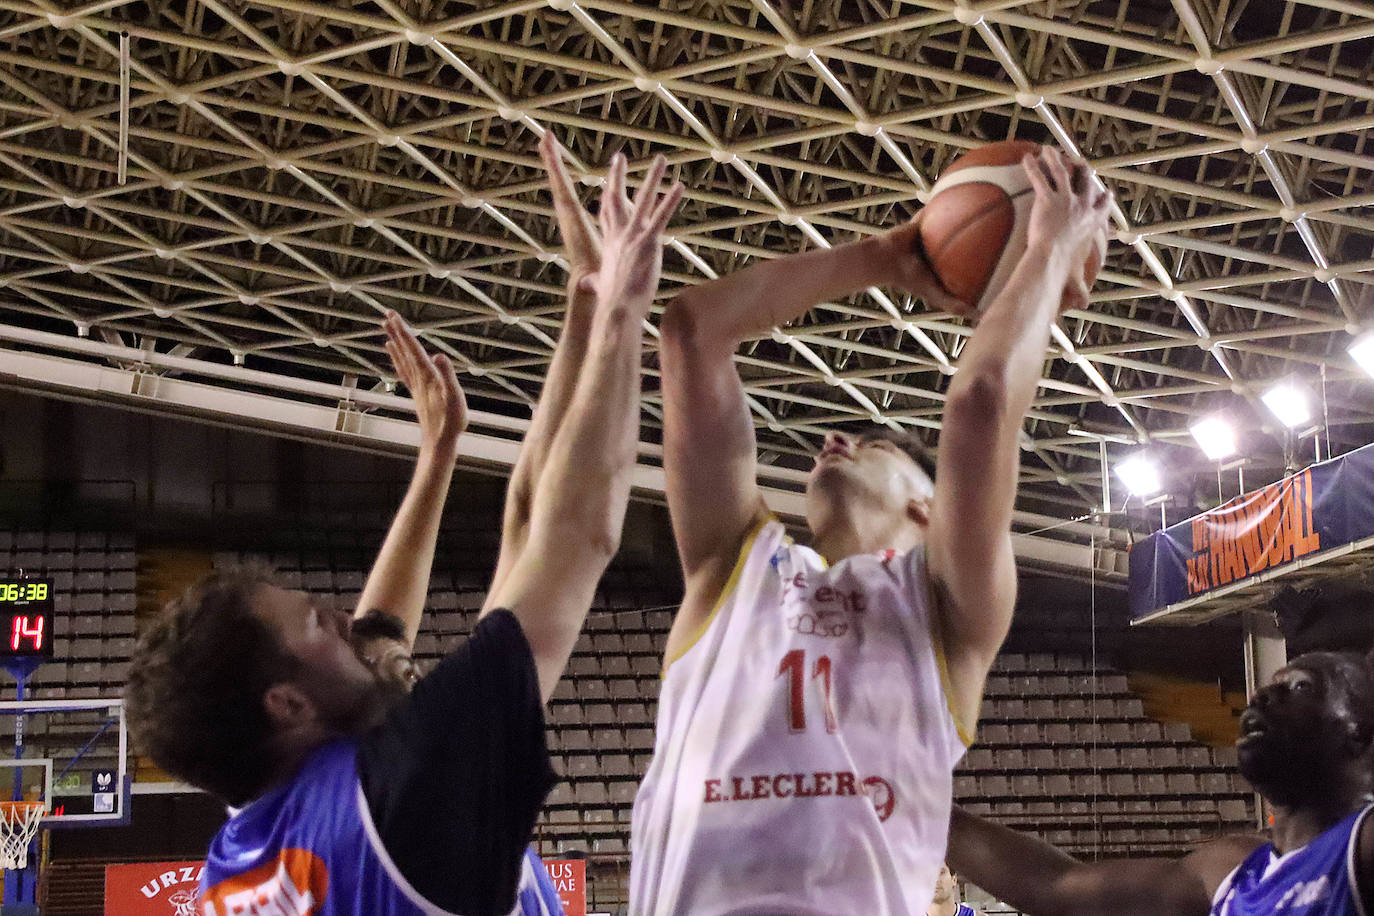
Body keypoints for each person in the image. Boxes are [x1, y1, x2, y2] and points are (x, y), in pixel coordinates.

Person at [126, 135, 683, 916]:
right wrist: (623, 312)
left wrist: (583, 309)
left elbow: (492, 550)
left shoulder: (244, 850)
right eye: (317, 623)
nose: (345, 618)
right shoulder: (405, 793)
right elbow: (573, 533)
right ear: (286, 706)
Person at [630, 147, 1111, 914]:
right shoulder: (733, 569)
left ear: (930, 506)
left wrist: (1047, 250)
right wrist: (881, 256)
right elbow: (692, 330)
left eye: (876, 446)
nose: (835, 442)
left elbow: (980, 403)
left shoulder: (949, 610)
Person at [945, 651, 1374, 916]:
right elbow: (1056, 888)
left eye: (1301, 687)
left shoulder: (1361, 846)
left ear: (1360, 733)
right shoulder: (1233, 871)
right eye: (1268, 685)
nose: (1261, 698)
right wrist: (914, 800)